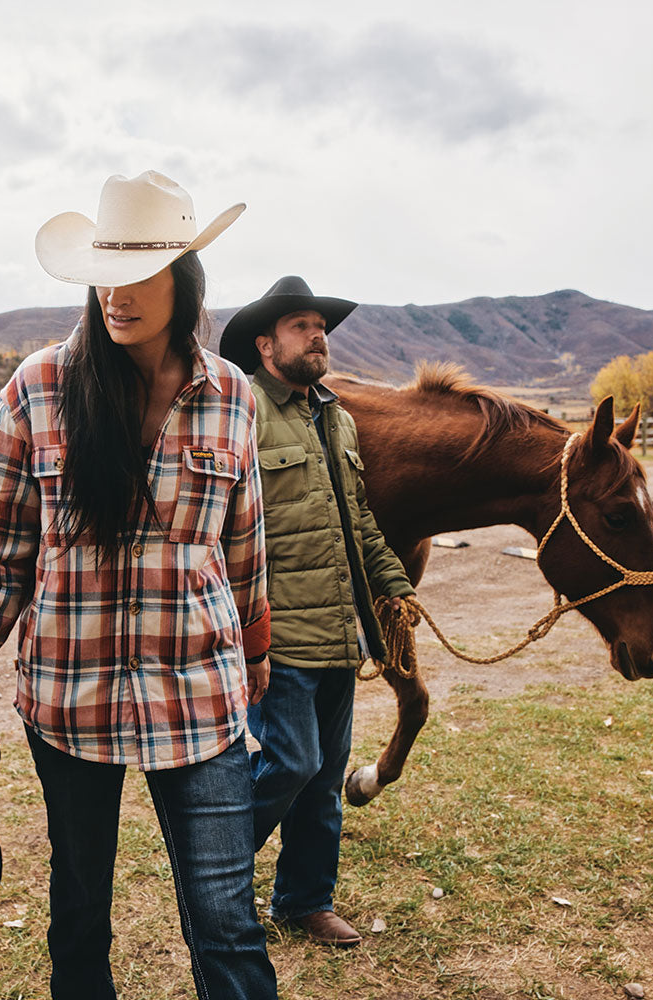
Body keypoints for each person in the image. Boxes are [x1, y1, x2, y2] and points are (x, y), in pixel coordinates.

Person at [0, 171, 278, 1000]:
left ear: (184, 280)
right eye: (107, 271)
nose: (119, 292)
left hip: (201, 694)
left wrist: (255, 649)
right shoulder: (38, 389)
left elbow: (244, 540)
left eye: (142, 269)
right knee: (80, 911)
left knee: (226, 916)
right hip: (71, 696)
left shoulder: (233, 398)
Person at [219, 275, 415, 946]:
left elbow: (356, 519)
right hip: (276, 634)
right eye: (303, 327)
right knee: (292, 762)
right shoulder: (239, 409)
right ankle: (211, 868)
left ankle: (304, 901)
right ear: (266, 344)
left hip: (338, 631)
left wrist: (394, 585)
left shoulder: (336, 416)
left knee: (325, 776)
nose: (319, 335)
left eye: (320, 326)